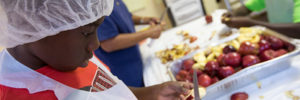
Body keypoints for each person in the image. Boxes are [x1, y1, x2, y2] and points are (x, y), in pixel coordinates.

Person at [0, 0, 193, 100]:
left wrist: (150, 94)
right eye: (87, 33)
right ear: (36, 24)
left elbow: (103, 89)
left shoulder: (65, 58)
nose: (96, 44)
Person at [94, 0, 165, 87]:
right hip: (123, 71)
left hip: (136, 62)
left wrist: (145, 20)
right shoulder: (96, 4)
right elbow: (109, 44)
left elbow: (126, 15)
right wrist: (149, 33)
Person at [222, 0, 300, 38]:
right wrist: (233, 14)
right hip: (279, 38)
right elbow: (248, 7)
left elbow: (298, 29)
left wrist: (253, 24)